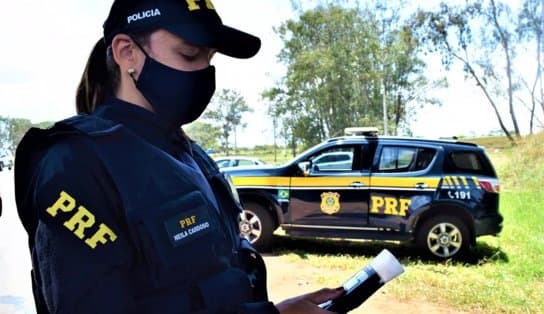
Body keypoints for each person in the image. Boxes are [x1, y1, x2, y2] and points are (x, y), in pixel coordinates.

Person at [14, 0, 343, 313]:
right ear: (127, 53)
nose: (204, 73)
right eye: (189, 55)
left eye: (210, 58)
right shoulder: (76, 164)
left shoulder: (192, 156)